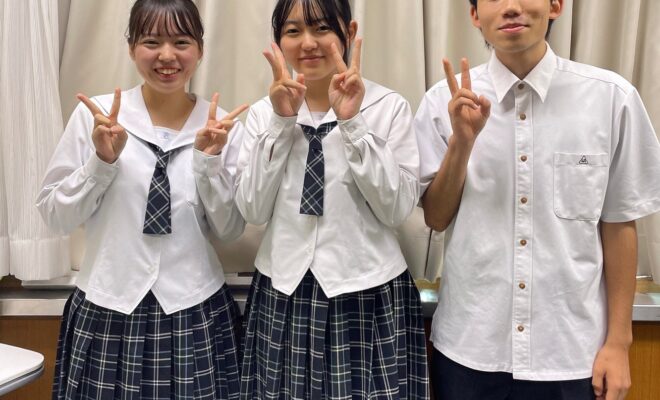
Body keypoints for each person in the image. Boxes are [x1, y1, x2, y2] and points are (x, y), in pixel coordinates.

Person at [415, 0, 660, 399]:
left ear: (556, 5)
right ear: (475, 15)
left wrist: (619, 342)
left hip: (571, 353)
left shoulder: (611, 99)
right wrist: (462, 143)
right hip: (469, 349)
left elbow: (619, 225)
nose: (511, 7)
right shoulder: (444, 101)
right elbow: (436, 217)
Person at [36, 0, 249, 398]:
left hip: (195, 310)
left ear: (200, 49)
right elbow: (55, 216)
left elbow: (230, 229)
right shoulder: (97, 118)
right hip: (107, 309)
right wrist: (100, 163)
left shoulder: (220, 127)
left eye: (181, 42)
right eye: (152, 41)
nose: (167, 55)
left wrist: (208, 163)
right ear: (132, 47)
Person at [234, 0, 429, 398]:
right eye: (293, 31)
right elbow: (252, 209)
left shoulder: (387, 107)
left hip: (368, 291)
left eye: (322, 28)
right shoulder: (262, 113)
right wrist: (281, 123)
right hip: (283, 290)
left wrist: (353, 123)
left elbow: (396, 210)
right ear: (278, 42)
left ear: (349, 33)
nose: (308, 43)